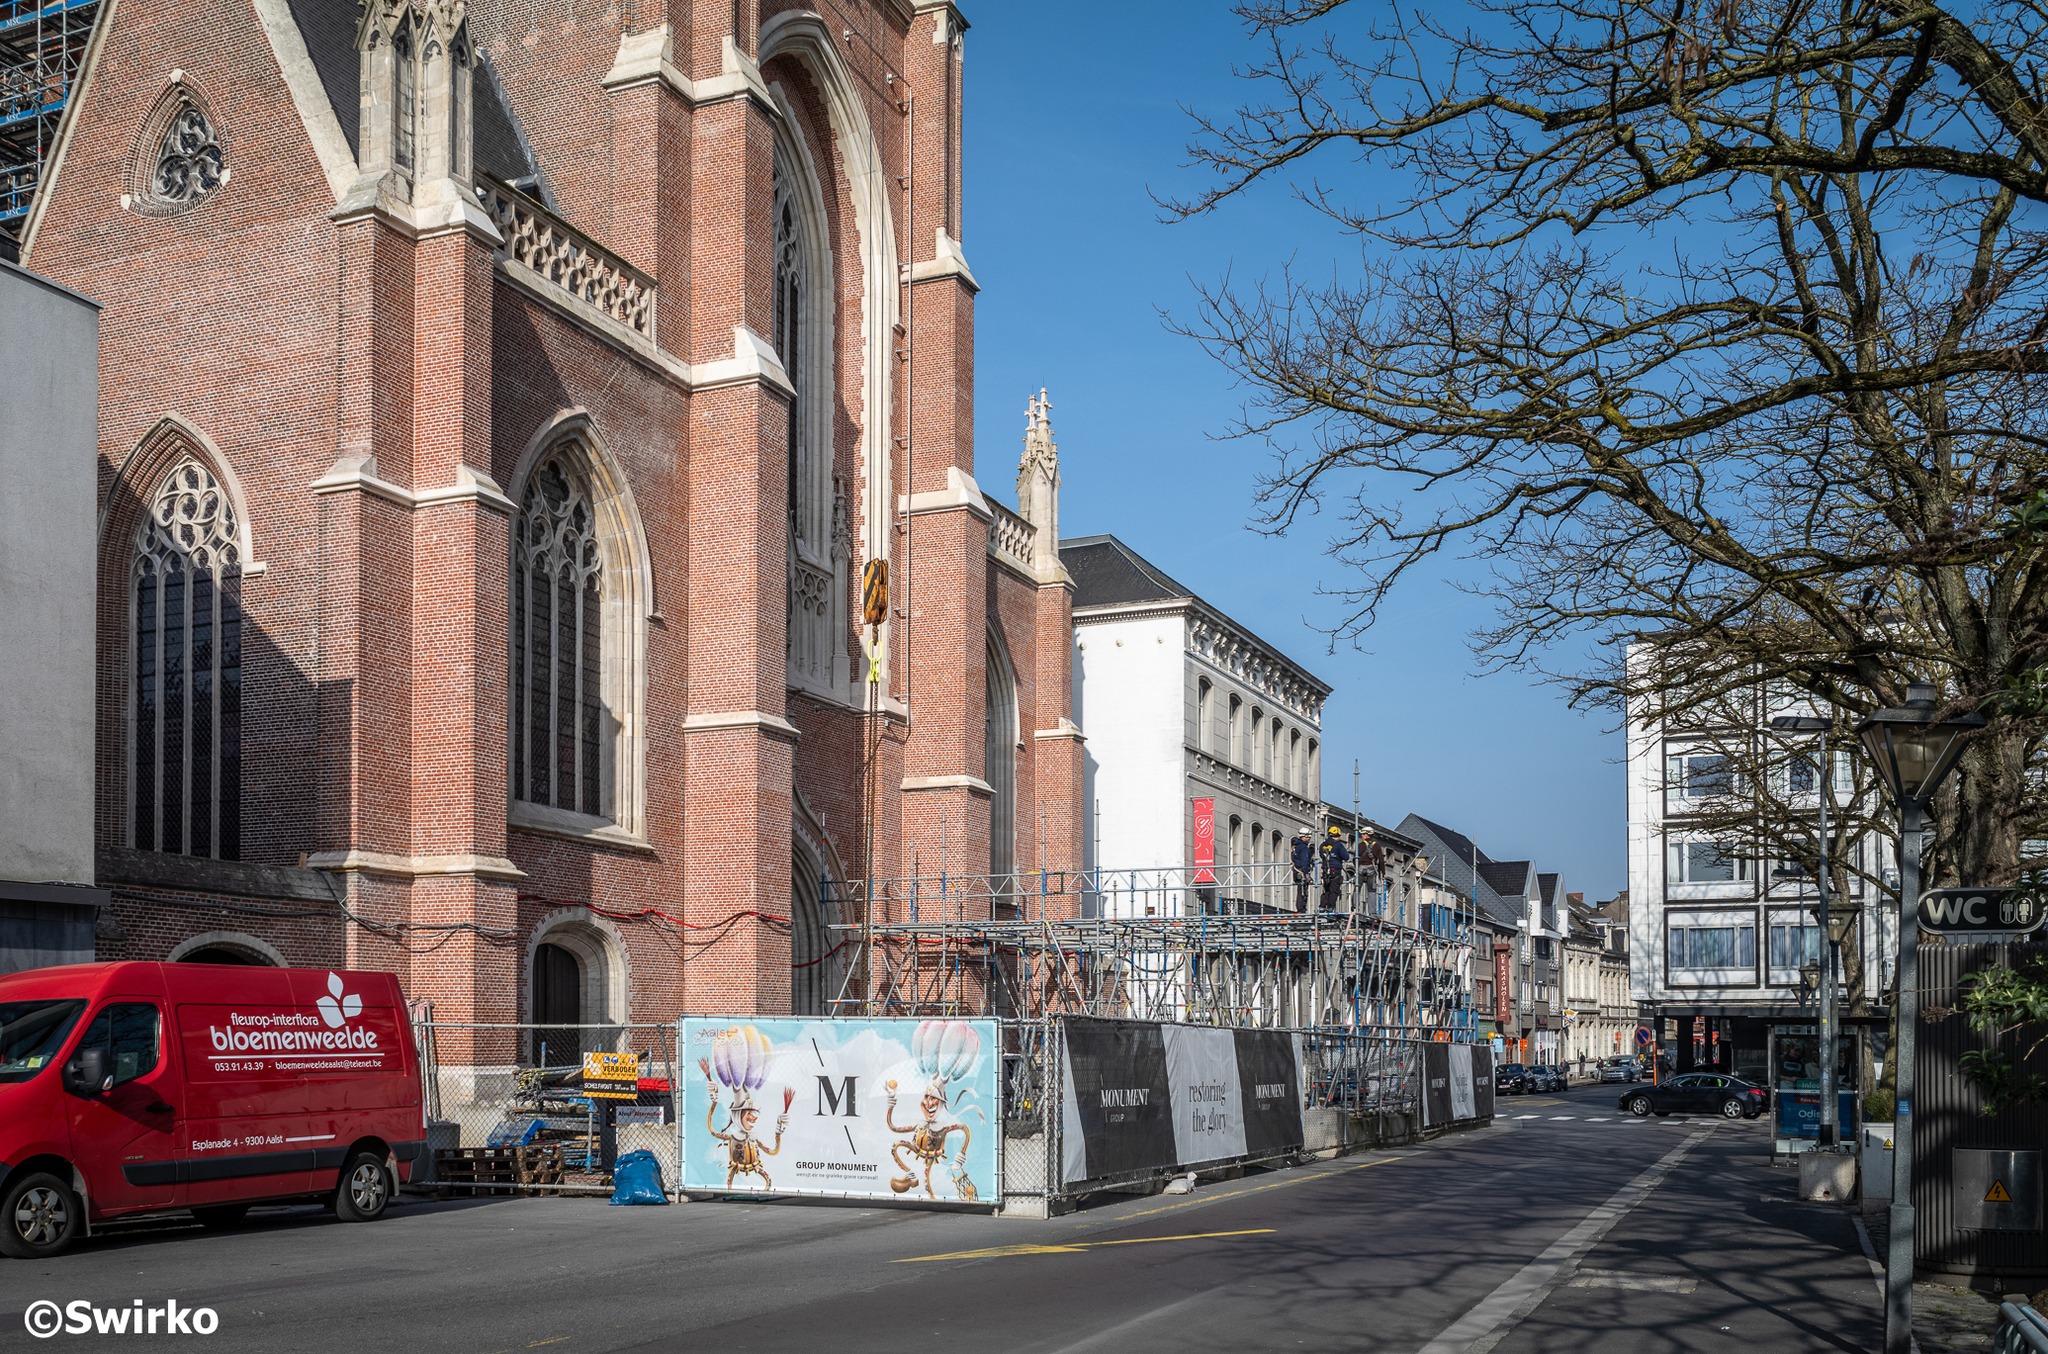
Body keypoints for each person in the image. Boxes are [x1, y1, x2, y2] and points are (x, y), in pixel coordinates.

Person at [1318, 826, 1351, 911]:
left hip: (1325, 869)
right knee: (1334, 889)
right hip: (1335, 869)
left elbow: (1321, 855)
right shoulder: (1338, 845)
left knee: (1326, 889)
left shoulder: (1323, 845)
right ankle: (1330, 907)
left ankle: (1322, 906)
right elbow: (1346, 857)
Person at [1290, 830, 1317, 910]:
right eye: (1307, 837)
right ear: (1303, 836)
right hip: (1301, 871)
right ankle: (1301, 908)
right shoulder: (1303, 848)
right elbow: (1304, 861)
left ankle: (1300, 907)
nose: (1308, 839)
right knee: (1303, 891)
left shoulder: (1296, 847)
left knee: (1300, 889)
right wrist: (1306, 873)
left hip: (1296, 871)